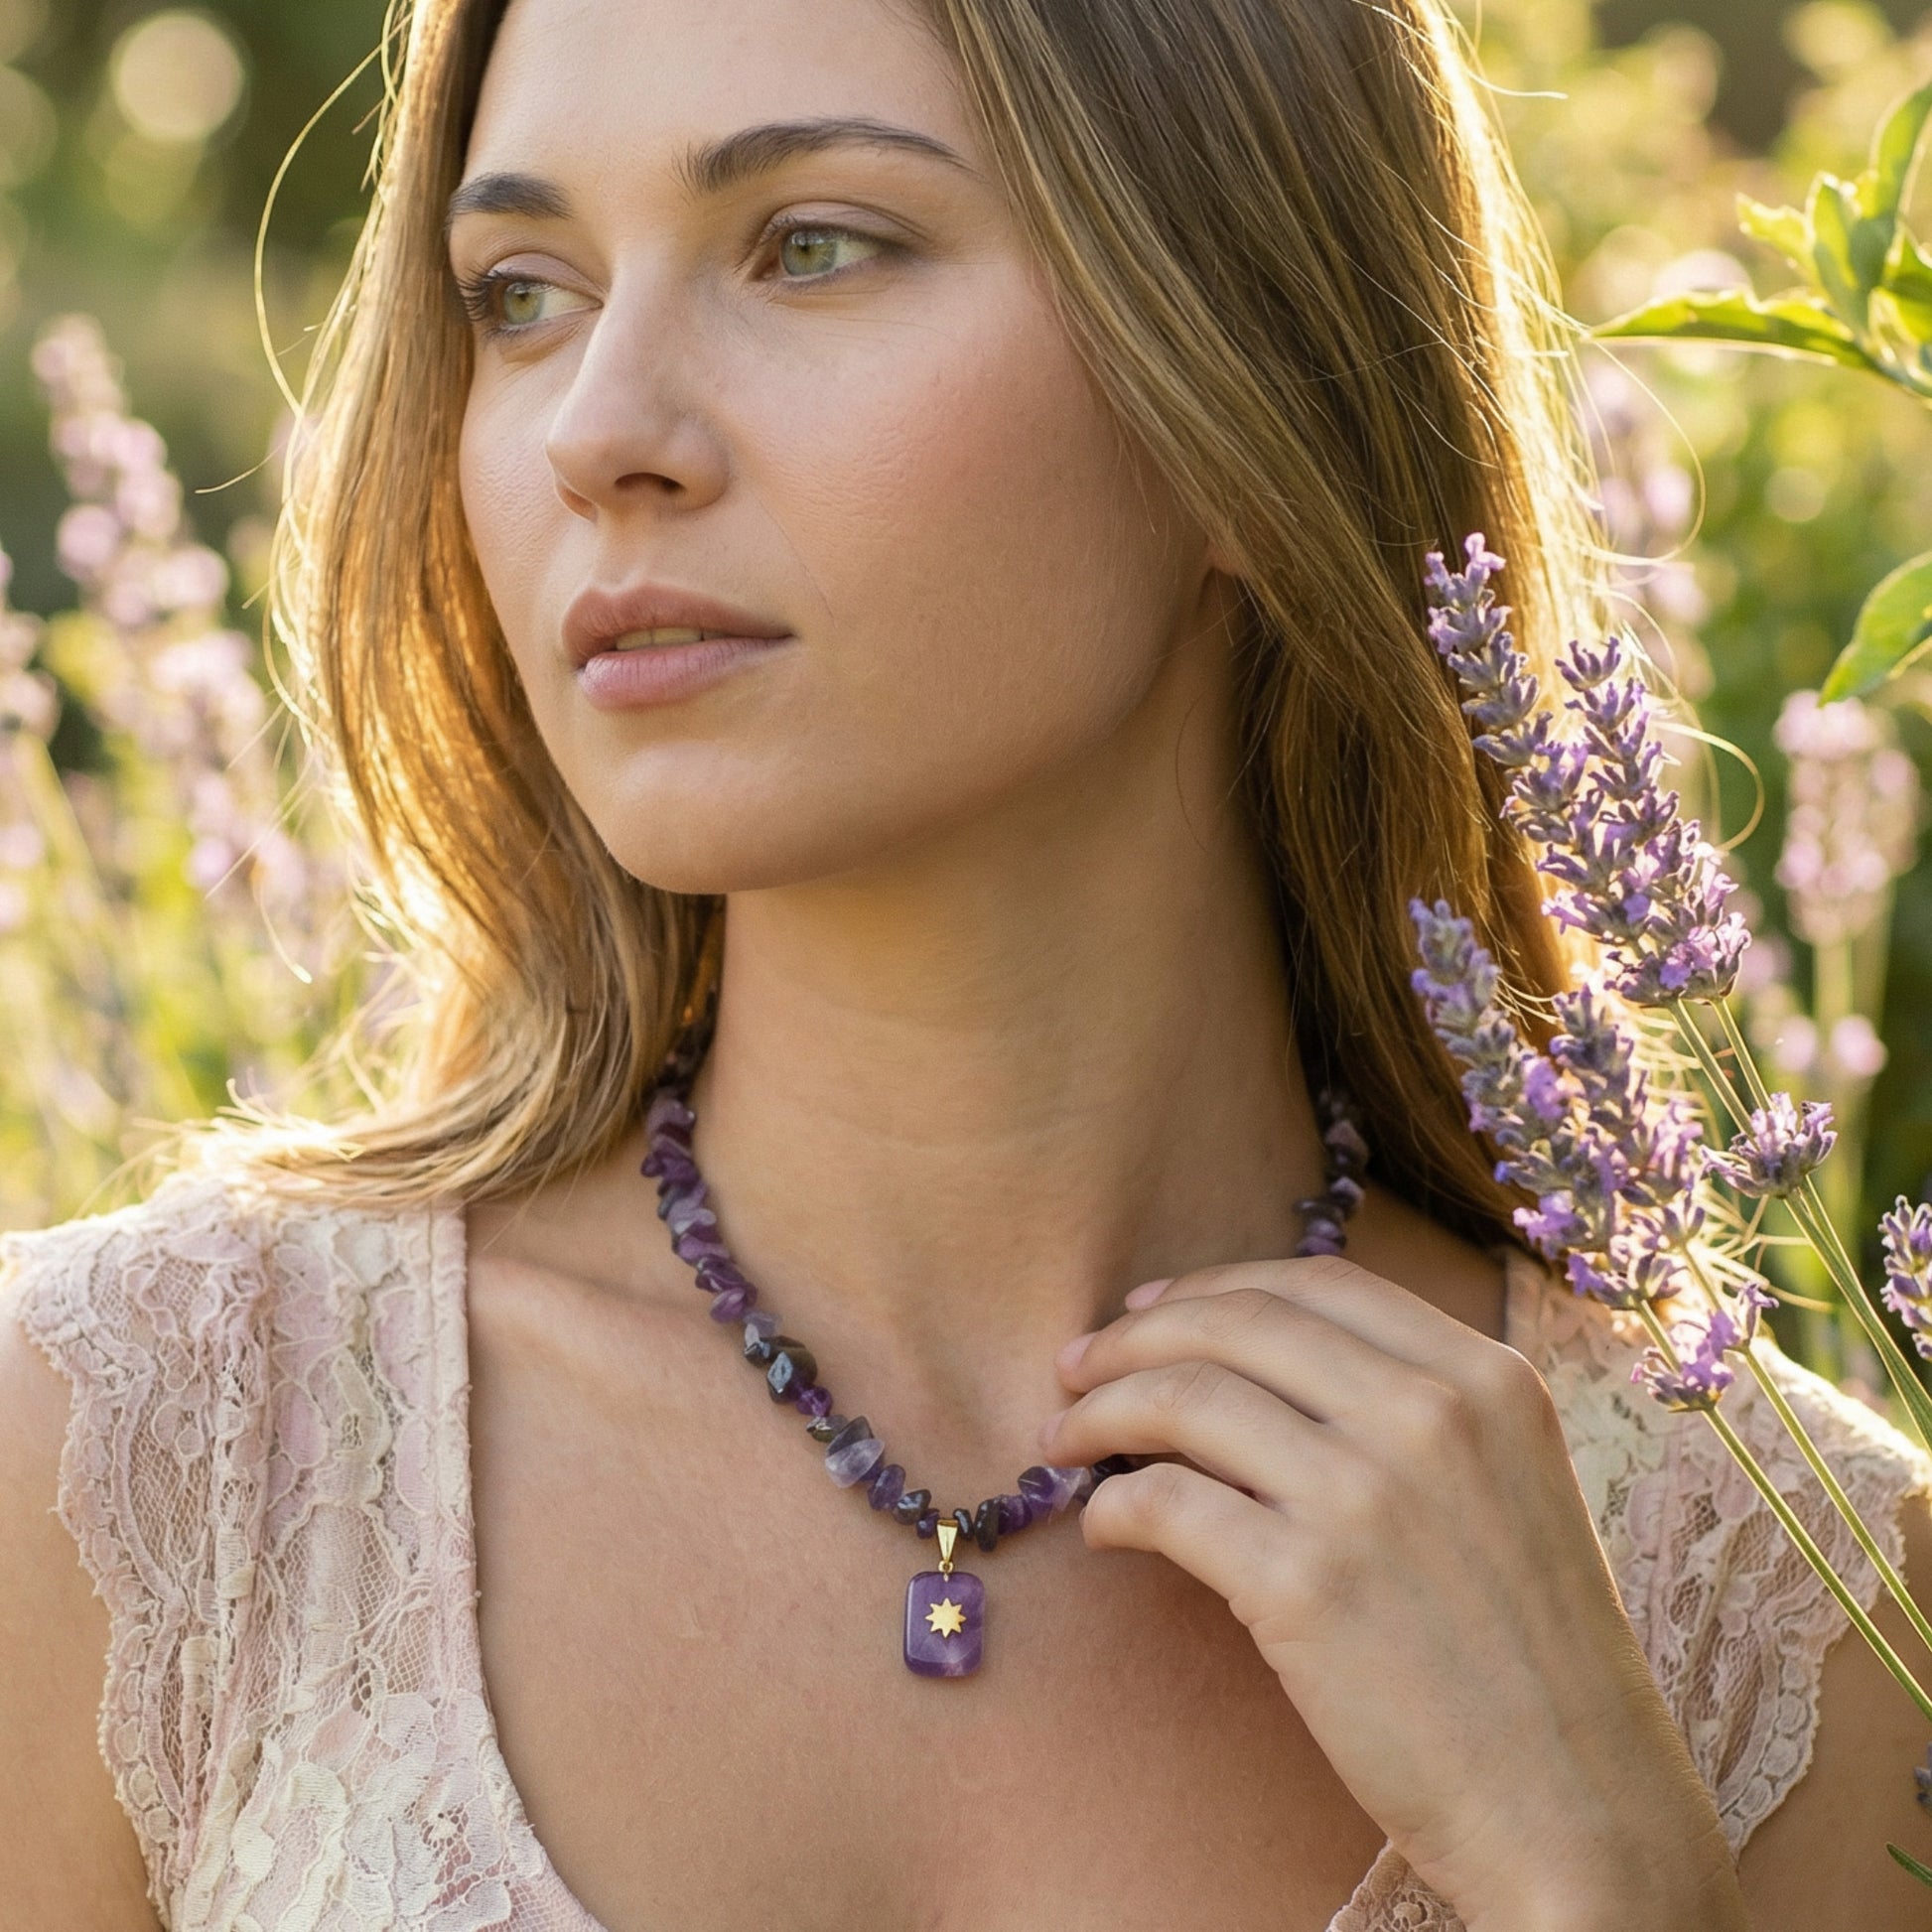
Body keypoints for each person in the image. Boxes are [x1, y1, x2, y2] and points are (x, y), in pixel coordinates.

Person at [3, 0, 1929, 1925]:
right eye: (521, 293)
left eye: (810, 246)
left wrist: (1609, 1874)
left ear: (1251, 392)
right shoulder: (126, 1471)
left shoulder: (1804, 1613)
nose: (595, 430)